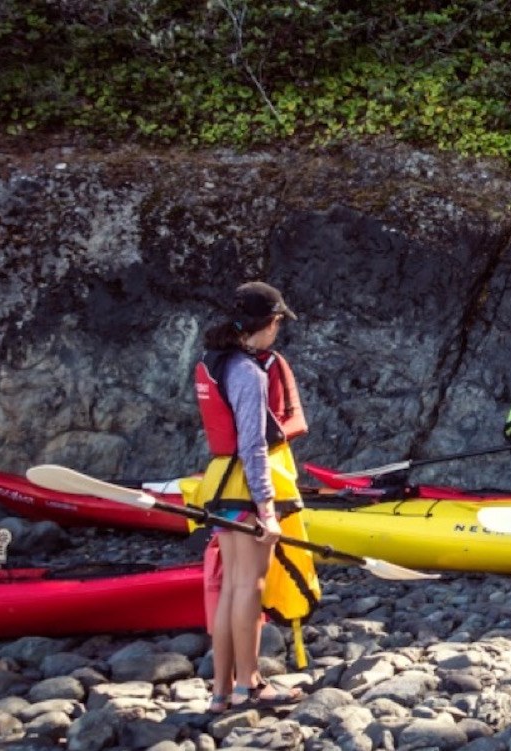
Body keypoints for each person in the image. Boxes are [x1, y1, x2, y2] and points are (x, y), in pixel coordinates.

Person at [191, 282, 319, 713]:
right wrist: (267, 508)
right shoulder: (248, 371)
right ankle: (251, 685)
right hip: (245, 486)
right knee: (250, 587)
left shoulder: (216, 360)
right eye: (278, 322)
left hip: (220, 484)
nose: (278, 331)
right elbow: (253, 444)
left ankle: (221, 693)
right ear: (270, 322)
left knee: (232, 589)